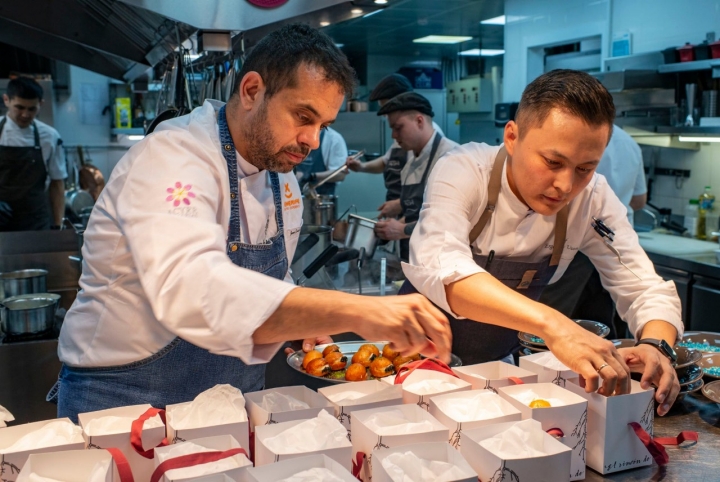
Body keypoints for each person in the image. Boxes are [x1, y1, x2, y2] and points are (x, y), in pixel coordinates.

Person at [52, 24, 451, 422]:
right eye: (302, 116)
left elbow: (271, 281)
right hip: (126, 403)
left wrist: (299, 322)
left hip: (230, 405)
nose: (312, 140)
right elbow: (195, 287)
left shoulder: (282, 180)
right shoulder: (173, 156)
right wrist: (359, 312)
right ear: (252, 90)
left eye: (323, 126)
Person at [401, 69, 682, 415]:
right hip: (409, 368)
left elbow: (643, 287)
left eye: (585, 168)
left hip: (496, 376)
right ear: (512, 137)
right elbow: (443, 269)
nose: (565, 185)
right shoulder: (462, 170)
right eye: (553, 162)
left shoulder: (592, 198)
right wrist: (555, 326)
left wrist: (657, 345)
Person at [539, 125, 647, 334]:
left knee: (553, 325)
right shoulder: (630, 144)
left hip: (574, 248)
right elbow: (640, 199)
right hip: (610, 244)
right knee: (601, 322)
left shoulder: (572, 134)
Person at [371, 92, 459, 261]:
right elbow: (418, 211)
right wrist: (393, 224)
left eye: (398, 128)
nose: (393, 136)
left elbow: (447, 224)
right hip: (413, 254)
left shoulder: (450, 158)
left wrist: (401, 230)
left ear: (419, 121)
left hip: (440, 259)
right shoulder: (411, 159)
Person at [346, 74, 443, 219]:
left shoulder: (423, 137)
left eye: (387, 107)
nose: (386, 115)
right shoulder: (402, 135)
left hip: (415, 215)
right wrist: (361, 167)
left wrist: (402, 205)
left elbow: (432, 194)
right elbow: (387, 162)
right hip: (403, 213)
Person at [0, 77, 67, 231]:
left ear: (41, 104)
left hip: (34, 221)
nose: (25, 114)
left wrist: (58, 226)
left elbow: (57, 183)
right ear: (6, 100)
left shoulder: (50, 136)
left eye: (32, 109)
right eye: (19, 107)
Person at [294, 126, 348, 195]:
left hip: (321, 198)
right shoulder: (295, 136)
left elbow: (341, 174)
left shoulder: (334, 139)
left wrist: (311, 176)